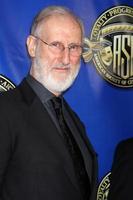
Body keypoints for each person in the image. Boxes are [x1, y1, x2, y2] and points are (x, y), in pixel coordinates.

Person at [0, 6, 98, 200]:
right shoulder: (4, 111)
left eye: (74, 47)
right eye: (55, 44)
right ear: (32, 46)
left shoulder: (73, 120)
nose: (65, 58)